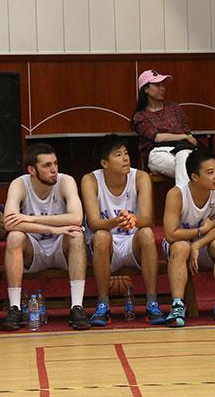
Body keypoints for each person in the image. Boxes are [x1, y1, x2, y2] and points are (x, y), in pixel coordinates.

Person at [0, 143, 90, 331]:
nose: (54, 170)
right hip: (34, 248)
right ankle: (15, 308)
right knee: (14, 237)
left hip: (60, 246)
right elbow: (9, 223)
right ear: (32, 170)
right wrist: (52, 229)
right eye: (47, 166)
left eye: (55, 164)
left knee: (76, 234)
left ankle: (77, 306)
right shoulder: (19, 184)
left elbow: (76, 218)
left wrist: (31, 218)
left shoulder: (66, 181)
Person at [81, 135, 166, 326]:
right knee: (101, 236)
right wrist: (116, 221)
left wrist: (134, 220)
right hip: (106, 242)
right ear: (104, 163)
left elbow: (148, 221)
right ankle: (103, 305)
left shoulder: (141, 177)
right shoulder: (90, 180)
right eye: (118, 155)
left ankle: (152, 302)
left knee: (146, 233)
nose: (125, 158)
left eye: (126, 153)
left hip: (132, 241)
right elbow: (94, 223)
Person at [162, 148, 215, 326]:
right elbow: (171, 234)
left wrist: (198, 243)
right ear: (195, 177)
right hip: (179, 245)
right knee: (181, 246)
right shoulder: (177, 194)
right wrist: (201, 231)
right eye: (210, 172)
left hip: (206, 243)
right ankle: (177, 305)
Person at [130, 69, 197, 186]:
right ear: (145, 89)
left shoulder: (174, 108)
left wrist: (188, 137)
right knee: (196, 169)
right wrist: (184, 136)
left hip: (184, 149)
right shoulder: (140, 116)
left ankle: (183, 200)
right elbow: (157, 137)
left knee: (187, 159)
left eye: (163, 85)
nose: (162, 88)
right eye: (157, 85)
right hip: (159, 152)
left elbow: (188, 132)